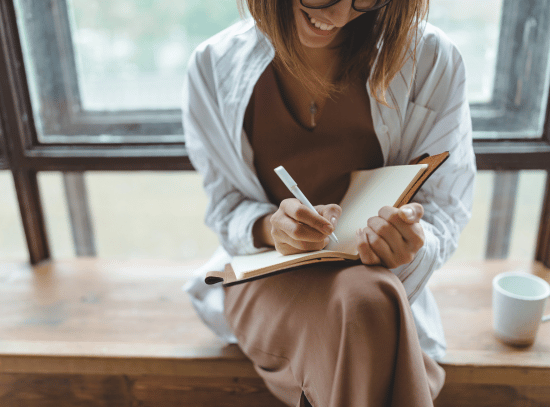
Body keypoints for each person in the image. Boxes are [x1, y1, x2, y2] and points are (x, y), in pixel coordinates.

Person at [183, 0, 476, 405]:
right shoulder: (212, 66)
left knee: (365, 296)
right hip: (265, 278)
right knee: (370, 307)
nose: (337, 16)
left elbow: (444, 204)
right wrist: (273, 228)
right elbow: (226, 205)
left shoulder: (431, 60)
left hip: (379, 280)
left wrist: (409, 240)